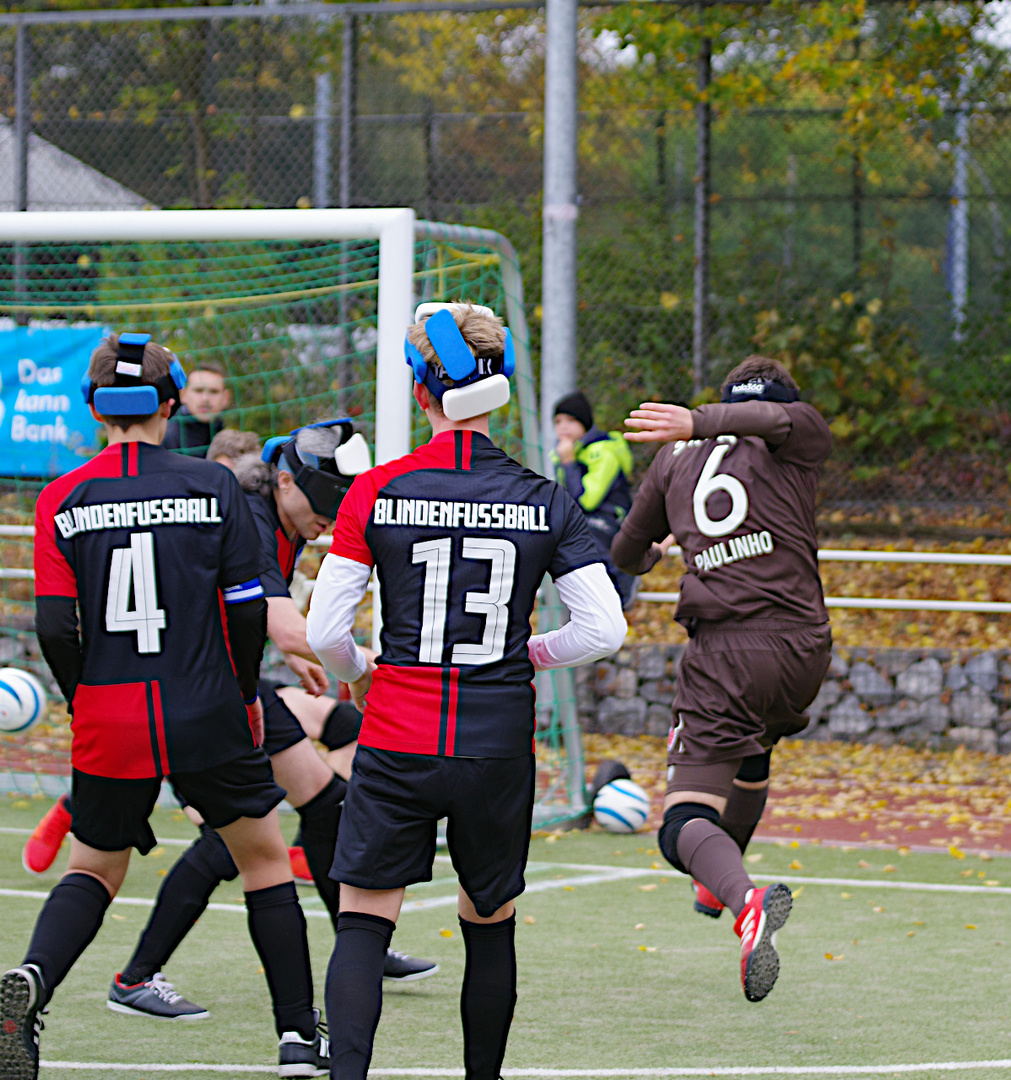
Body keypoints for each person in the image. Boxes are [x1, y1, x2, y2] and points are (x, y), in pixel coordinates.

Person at [306, 302, 626, 1080]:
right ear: (503, 389)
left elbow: (323, 637)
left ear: (422, 394)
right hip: (494, 745)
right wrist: (532, 652)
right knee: (490, 925)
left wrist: (358, 673)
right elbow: (604, 629)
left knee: (362, 923)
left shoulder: (374, 491)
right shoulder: (545, 497)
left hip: (394, 737)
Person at [0, 333, 326, 1080]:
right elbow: (248, 608)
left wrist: (85, 699)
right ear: (171, 404)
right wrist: (244, 692)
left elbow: (54, 625)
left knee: (93, 869)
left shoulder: (60, 497)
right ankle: (297, 1042)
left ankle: (35, 983)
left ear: (93, 410)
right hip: (206, 703)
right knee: (265, 862)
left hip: (111, 709)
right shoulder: (210, 486)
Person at [95, 420, 440, 1022]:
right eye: (328, 501)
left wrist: (291, 659)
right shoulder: (252, 517)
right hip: (205, 693)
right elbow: (282, 622)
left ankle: (360, 944)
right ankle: (136, 976)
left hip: (236, 686)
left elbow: (253, 612)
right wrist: (362, 671)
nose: (332, 519)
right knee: (236, 841)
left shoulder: (285, 518)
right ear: (284, 479)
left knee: (326, 804)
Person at [611, 354, 833, 1004]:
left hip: (727, 655)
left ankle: (743, 898)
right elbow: (773, 419)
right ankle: (717, 878)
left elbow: (625, 551)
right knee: (754, 747)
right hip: (802, 648)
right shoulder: (799, 436)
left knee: (679, 822)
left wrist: (649, 553)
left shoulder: (679, 455)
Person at [552, 390, 639, 609]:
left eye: (570, 420)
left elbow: (587, 501)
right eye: (558, 421)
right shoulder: (566, 452)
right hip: (585, 518)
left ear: (585, 423)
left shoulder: (603, 452)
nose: (563, 427)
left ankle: (621, 585)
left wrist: (569, 463)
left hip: (612, 519)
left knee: (587, 533)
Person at [160, 360, 230, 457]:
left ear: (226, 398)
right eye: (198, 390)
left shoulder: (229, 440)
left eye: (214, 391)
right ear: (183, 395)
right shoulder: (164, 437)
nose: (205, 399)